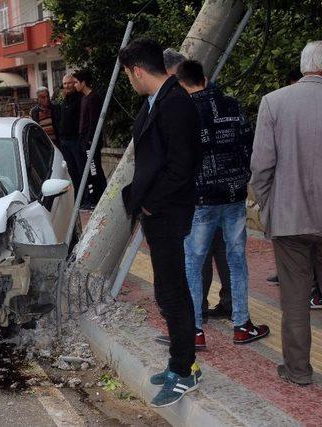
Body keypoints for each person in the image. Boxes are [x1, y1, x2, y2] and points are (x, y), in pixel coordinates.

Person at [118, 38, 201, 407]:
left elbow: (183, 166)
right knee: (169, 290)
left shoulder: (176, 102)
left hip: (167, 211)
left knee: (173, 292)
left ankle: (184, 372)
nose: (128, 82)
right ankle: (179, 364)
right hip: (157, 211)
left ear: (137, 71)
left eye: (127, 75)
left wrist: (150, 204)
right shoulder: (157, 99)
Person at [176, 59, 269, 349]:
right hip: (233, 196)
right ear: (204, 78)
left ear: (181, 83)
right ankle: (242, 325)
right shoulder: (233, 105)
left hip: (201, 198)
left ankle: (195, 331)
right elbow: (247, 145)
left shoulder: (183, 111)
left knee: (193, 262)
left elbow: (179, 158)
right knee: (237, 259)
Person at [250, 41, 322, 386]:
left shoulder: (274, 102)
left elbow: (262, 166)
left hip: (290, 218)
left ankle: (298, 371)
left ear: (303, 65)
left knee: (295, 299)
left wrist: (267, 208)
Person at [163, 48, 233, 321]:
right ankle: (231, 307)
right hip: (227, 189)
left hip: (200, 190)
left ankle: (196, 315)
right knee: (223, 249)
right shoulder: (224, 100)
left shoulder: (186, 104)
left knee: (197, 253)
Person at [73, 69, 107, 207]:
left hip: (90, 142)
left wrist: (90, 140)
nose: (74, 85)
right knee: (89, 171)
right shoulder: (84, 99)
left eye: (76, 82)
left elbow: (94, 122)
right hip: (83, 141)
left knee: (94, 170)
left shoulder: (93, 98)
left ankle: (101, 197)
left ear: (83, 82)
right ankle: (95, 198)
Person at [57, 74, 85, 194]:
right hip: (64, 141)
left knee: (81, 170)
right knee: (72, 171)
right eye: (65, 84)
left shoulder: (80, 99)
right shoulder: (64, 100)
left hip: (76, 140)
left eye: (69, 83)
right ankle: (78, 196)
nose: (67, 86)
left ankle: (85, 197)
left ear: (74, 83)